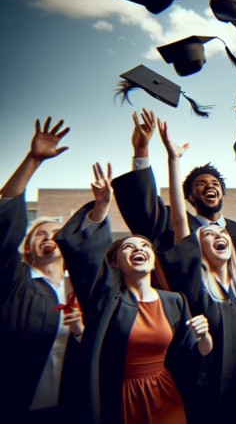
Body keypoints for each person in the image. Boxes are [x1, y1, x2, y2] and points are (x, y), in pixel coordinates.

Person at [55, 161, 212, 424]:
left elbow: (194, 354)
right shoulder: (107, 298)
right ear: (115, 262)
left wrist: (205, 338)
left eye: (145, 246)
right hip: (122, 397)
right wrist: (101, 206)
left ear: (153, 261)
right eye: (128, 247)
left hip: (167, 394)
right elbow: (87, 257)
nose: (138, 249)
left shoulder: (175, 301)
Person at [156, 112, 236, 422]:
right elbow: (179, 219)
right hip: (204, 388)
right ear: (196, 247)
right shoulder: (194, 281)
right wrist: (173, 160)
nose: (218, 235)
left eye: (222, 234)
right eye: (208, 234)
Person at [0, 117, 84, 422]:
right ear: (26, 249)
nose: (48, 238)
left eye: (54, 235)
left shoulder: (79, 289)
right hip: (17, 407)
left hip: (71, 407)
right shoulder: (14, 281)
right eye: (39, 234)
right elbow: (6, 223)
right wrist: (33, 161)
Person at [111, 108, 236, 277]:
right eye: (201, 184)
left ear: (222, 193)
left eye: (215, 184)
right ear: (191, 197)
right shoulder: (172, 223)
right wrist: (141, 150)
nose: (210, 186)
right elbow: (144, 209)